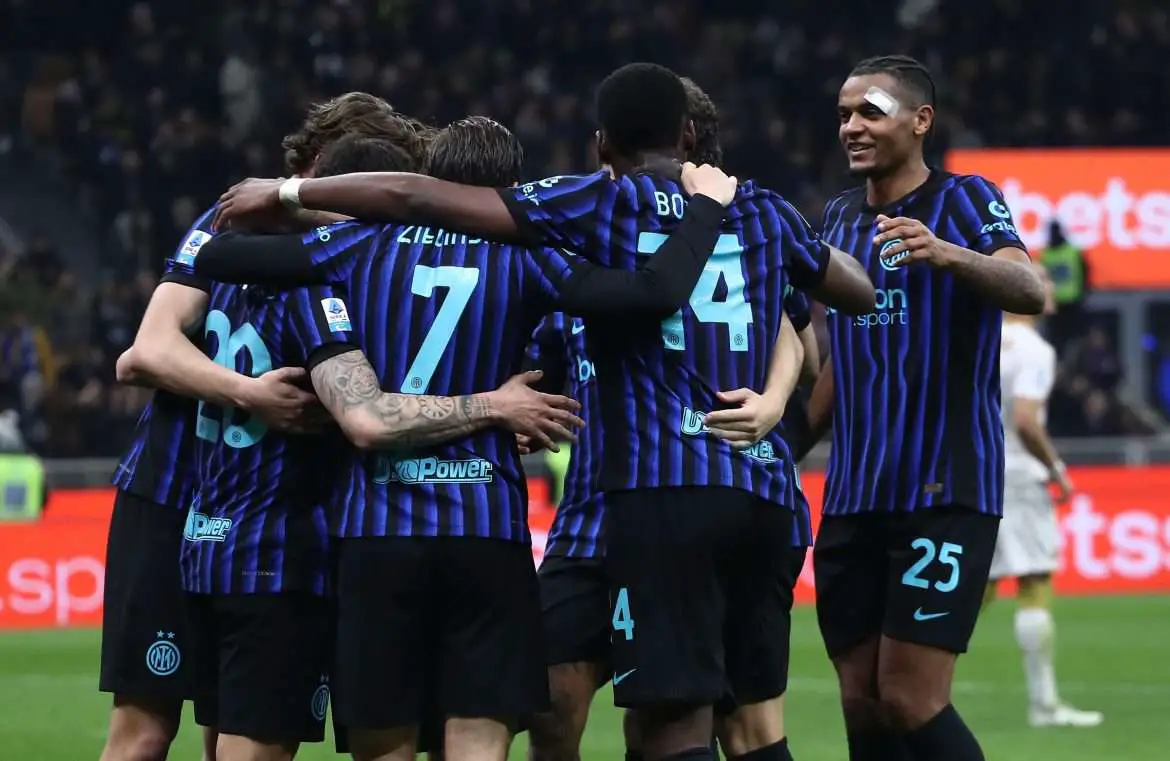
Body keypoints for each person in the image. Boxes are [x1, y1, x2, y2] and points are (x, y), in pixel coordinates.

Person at [192, 115, 743, 761]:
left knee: (383, 746)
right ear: (509, 187)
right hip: (485, 532)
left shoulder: (361, 245)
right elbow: (647, 295)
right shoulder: (529, 257)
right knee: (479, 742)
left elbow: (219, 253)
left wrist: (316, 208)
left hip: (376, 533)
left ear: (428, 180)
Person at [106, 92, 431, 761]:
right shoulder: (233, 226)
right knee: (144, 729)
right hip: (168, 495)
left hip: (264, 516)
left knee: (228, 728)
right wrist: (250, 393)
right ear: (315, 162)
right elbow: (145, 351)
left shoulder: (350, 251)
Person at [802, 55, 1046, 761]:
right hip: (852, 499)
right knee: (862, 701)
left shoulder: (964, 201)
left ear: (920, 120)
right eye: (845, 113)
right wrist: (776, 445)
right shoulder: (841, 219)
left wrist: (949, 255)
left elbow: (1028, 289)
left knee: (911, 697)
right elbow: (839, 366)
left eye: (870, 111)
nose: (851, 126)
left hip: (942, 491)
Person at [985, 263, 1102, 729]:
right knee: (1033, 580)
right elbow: (1028, 421)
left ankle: (910, 682)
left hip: (981, 470)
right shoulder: (1035, 350)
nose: (1051, 288)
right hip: (1019, 476)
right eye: (1043, 280)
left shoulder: (983, 341)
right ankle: (1045, 705)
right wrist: (1057, 470)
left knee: (978, 587)